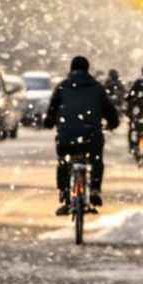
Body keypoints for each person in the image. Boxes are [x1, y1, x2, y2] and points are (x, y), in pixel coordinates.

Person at [44, 55, 120, 214]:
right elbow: (110, 112)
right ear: (87, 69)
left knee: (64, 163)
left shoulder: (62, 87)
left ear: (71, 69)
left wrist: (49, 122)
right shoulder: (97, 88)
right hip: (91, 137)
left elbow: (52, 111)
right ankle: (94, 190)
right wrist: (113, 123)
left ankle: (65, 196)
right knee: (96, 161)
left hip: (67, 138)